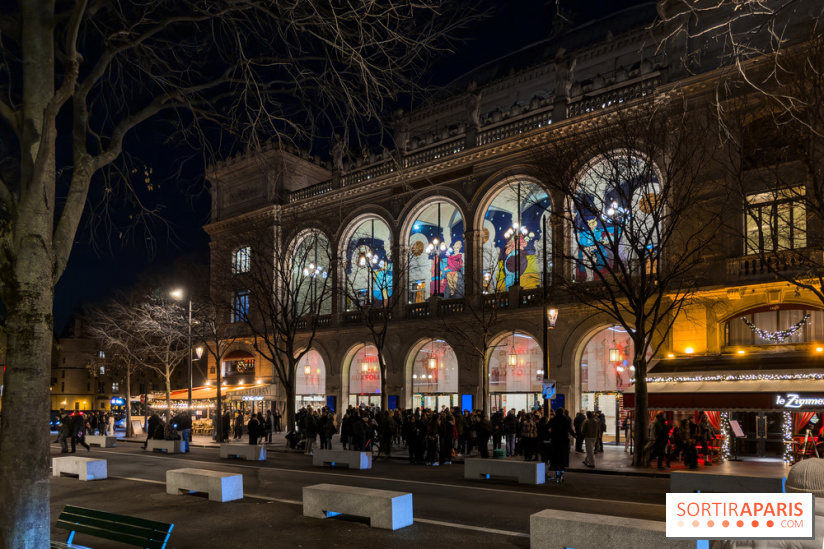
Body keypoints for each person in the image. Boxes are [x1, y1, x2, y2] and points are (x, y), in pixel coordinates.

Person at [549, 408, 576, 482]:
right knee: (563, 459)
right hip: (564, 441)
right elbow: (569, 429)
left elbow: (547, 427)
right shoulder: (565, 420)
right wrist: (574, 435)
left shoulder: (553, 420)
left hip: (555, 441)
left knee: (556, 459)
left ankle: (557, 474)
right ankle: (561, 475)